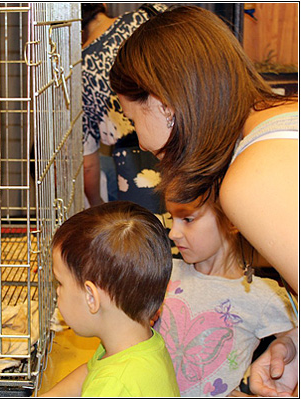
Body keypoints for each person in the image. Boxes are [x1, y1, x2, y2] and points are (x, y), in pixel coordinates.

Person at [109, 6, 298, 393]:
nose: (141, 142)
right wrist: (293, 345)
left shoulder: (250, 179)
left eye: (132, 119)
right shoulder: (284, 121)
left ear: (165, 103)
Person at [154, 187, 296, 396]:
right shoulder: (163, 272)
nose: (173, 233)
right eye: (171, 219)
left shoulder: (262, 295)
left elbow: (294, 341)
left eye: (188, 219)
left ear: (231, 220)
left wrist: (289, 347)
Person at [40, 201, 179, 397]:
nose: (57, 292)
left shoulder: (113, 386)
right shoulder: (131, 344)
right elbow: (89, 373)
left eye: (60, 283)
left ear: (91, 298)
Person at [82, 3, 167, 212]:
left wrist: (96, 204)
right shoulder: (152, 14)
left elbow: (88, 165)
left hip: (132, 164)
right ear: (102, 4)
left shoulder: (82, 68)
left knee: (146, 234)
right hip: (190, 138)